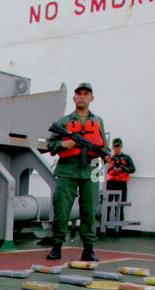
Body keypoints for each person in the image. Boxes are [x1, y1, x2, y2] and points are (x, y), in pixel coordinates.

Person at [46, 82, 108, 261]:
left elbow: (102, 144)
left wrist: (106, 156)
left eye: (86, 94)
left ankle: (88, 249)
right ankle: (57, 246)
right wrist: (64, 144)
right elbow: (50, 145)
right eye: (79, 93)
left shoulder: (98, 121)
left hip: (93, 167)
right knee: (62, 209)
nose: (82, 96)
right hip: (68, 167)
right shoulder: (64, 121)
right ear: (74, 98)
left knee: (90, 209)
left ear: (91, 98)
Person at [105, 138, 135, 202]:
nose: (117, 148)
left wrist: (122, 168)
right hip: (111, 183)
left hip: (121, 183)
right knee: (108, 202)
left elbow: (133, 169)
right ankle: (107, 212)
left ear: (121, 146)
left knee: (121, 203)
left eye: (118, 146)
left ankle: (120, 212)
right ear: (113, 147)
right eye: (115, 146)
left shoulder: (127, 157)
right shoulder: (109, 158)